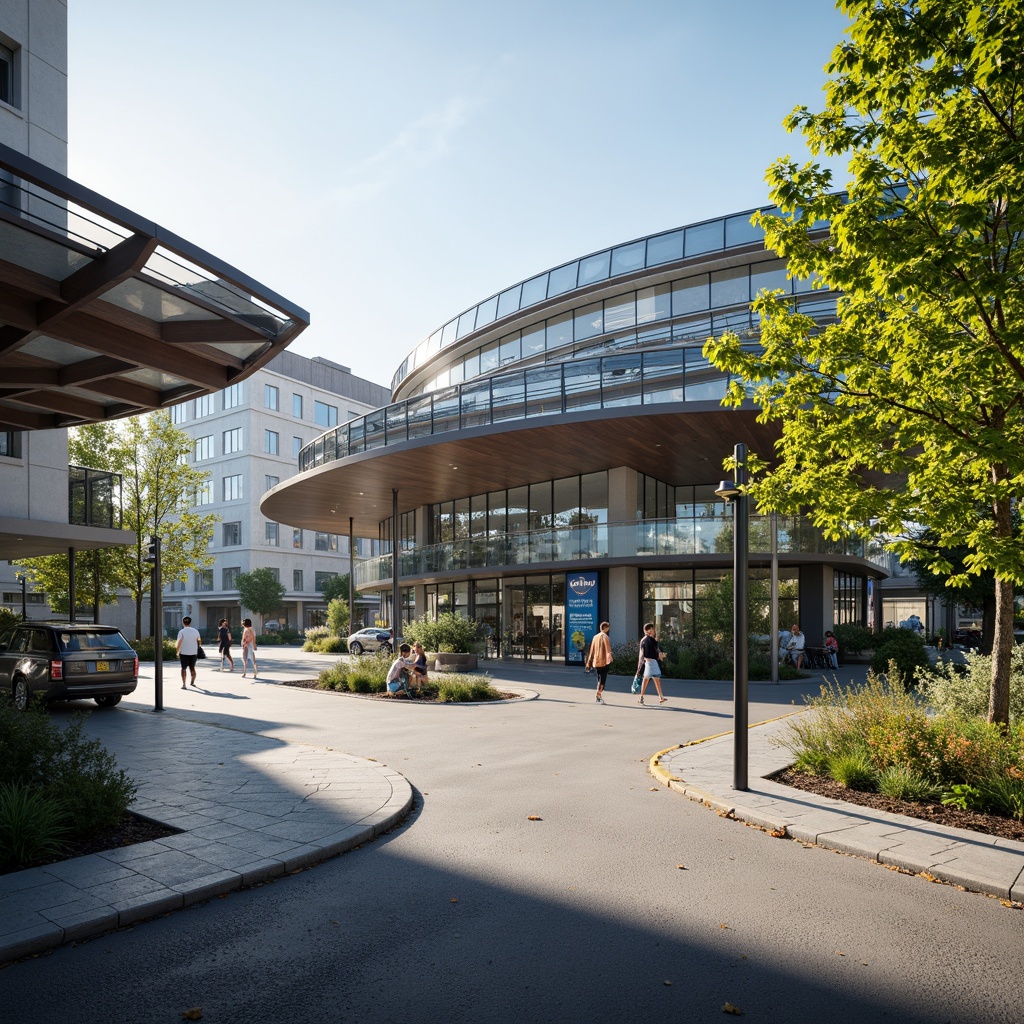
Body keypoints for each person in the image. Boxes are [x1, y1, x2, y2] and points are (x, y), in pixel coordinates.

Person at [637, 622, 666, 705]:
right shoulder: (651, 639)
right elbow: (657, 652)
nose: (654, 631)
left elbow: (641, 653)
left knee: (649, 679)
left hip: (647, 662)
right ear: (649, 630)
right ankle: (659, 697)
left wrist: (639, 667)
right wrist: (662, 656)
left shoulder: (643, 640)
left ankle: (643, 697)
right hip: (652, 662)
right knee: (652, 679)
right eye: (653, 629)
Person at [585, 621, 613, 703]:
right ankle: (598, 694)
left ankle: (599, 694)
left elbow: (591, 650)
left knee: (599, 678)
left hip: (596, 661)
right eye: (608, 628)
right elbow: (608, 649)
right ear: (605, 628)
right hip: (604, 661)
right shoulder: (605, 637)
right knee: (603, 679)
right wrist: (609, 657)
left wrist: (589, 662)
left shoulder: (595, 637)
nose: (608, 629)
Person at [175, 615, 202, 689]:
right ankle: (192, 682)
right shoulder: (196, 631)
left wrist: (177, 651)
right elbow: (199, 640)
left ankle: (184, 684)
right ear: (190, 622)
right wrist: (197, 648)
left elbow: (179, 642)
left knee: (183, 668)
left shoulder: (181, 632)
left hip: (183, 652)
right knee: (192, 667)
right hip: (193, 652)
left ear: (183, 623)